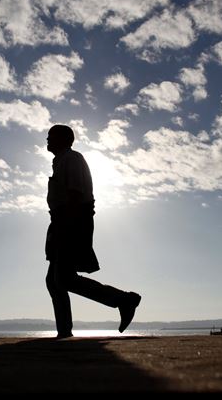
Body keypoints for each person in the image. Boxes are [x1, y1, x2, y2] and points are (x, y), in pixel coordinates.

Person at [44, 124, 141, 339]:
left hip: (71, 223)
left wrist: (66, 230)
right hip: (61, 224)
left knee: (63, 279)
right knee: (55, 280)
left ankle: (123, 300)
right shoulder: (60, 162)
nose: (47, 140)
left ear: (64, 139)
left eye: (51, 136)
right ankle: (65, 331)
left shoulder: (73, 159)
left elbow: (77, 197)